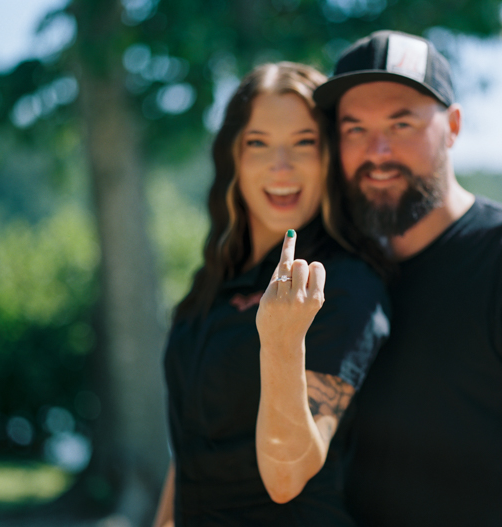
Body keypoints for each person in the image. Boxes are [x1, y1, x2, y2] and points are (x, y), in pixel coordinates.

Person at [313, 30, 502, 527]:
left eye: (401, 123)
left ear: (453, 126)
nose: (377, 151)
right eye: (354, 128)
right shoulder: (330, 269)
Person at [152, 62, 390, 527]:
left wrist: (282, 343)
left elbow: (287, 478)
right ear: (233, 158)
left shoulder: (344, 283)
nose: (280, 166)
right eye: (257, 143)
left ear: (329, 158)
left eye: (304, 142)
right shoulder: (216, 279)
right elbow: (192, 443)